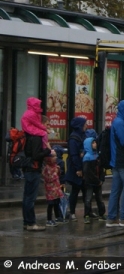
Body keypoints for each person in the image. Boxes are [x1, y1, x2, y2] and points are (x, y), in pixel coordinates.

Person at [21, 97, 53, 231]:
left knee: (27, 196)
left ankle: (27, 222)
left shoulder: (28, 134)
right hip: (32, 168)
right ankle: (30, 223)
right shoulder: (35, 136)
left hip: (28, 167)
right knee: (30, 197)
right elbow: (35, 155)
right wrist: (47, 151)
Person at [65, 116, 87, 221]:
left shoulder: (82, 135)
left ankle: (87, 212)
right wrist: (78, 169)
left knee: (85, 190)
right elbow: (74, 155)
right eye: (84, 124)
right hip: (76, 168)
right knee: (75, 190)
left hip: (82, 166)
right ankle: (72, 212)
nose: (86, 126)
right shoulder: (74, 138)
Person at [82, 129, 106, 223]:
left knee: (100, 199)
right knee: (88, 199)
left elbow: (101, 169)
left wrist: (101, 179)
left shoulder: (97, 155)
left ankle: (102, 213)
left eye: (95, 142)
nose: (95, 144)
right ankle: (87, 215)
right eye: (93, 143)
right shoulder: (87, 157)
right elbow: (88, 172)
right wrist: (98, 180)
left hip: (97, 182)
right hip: (90, 183)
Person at [42, 153, 64, 226]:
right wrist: (55, 173)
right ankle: (49, 219)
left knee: (56, 203)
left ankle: (58, 217)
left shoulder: (55, 166)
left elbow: (58, 176)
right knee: (51, 204)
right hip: (50, 189)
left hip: (56, 188)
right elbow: (48, 179)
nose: (55, 157)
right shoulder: (47, 168)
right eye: (53, 156)